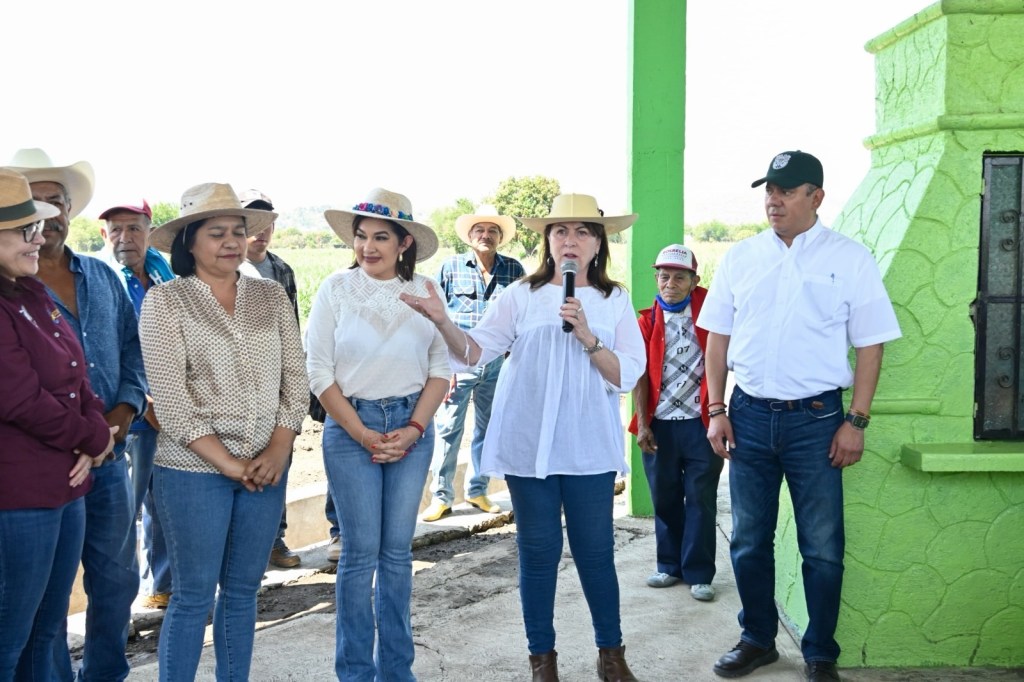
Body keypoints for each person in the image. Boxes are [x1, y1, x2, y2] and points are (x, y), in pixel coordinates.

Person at [401, 193, 646, 682]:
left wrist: (588, 337)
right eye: (560, 231)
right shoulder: (521, 296)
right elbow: (473, 354)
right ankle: (542, 659)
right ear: (547, 241)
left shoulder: (613, 299)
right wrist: (442, 320)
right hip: (527, 445)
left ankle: (611, 656)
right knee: (538, 552)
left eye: (582, 231)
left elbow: (626, 374)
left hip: (586, 447)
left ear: (599, 242)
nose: (570, 240)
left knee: (596, 552)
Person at [697, 151, 901, 682]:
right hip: (747, 416)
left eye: (787, 191)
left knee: (822, 546)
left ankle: (820, 653)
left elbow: (872, 345)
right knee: (747, 540)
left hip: (817, 422)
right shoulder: (741, 258)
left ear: (817, 197)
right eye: (769, 190)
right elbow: (717, 339)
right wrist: (716, 409)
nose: (774, 200)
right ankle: (757, 639)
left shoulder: (850, 259)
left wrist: (855, 421)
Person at [139, 182, 308, 681]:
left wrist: (279, 448)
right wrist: (233, 465)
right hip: (193, 471)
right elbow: (171, 402)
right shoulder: (166, 303)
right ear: (189, 242)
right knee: (192, 596)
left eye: (239, 231)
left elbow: (295, 380)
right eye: (217, 233)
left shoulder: (271, 295)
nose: (232, 241)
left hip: (266, 467)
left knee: (242, 592)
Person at [7, 147, 147, 682]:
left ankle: (107, 673)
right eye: (36, 202)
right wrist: (85, 436)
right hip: (47, 467)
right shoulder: (15, 292)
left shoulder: (101, 276)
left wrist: (124, 412)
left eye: (57, 202)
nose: (49, 213)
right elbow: (20, 395)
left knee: (114, 579)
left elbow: (132, 352)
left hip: (108, 457)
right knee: (43, 600)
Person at [306, 188, 449, 681]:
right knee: (358, 554)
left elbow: (439, 367)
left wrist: (412, 428)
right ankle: (354, 673)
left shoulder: (427, 291)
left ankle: (396, 671)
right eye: (361, 236)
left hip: (412, 428)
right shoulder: (334, 289)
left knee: (396, 554)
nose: (368, 246)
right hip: (350, 432)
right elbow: (319, 371)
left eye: (381, 237)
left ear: (404, 242)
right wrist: (364, 433)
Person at [628, 243, 723, 602]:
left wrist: (720, 413)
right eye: (664, 276)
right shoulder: (647, 321)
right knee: (664, 496)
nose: (670, 283)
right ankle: (669, 565)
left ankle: (699, 572)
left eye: (679, 277)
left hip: (701, 423)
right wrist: (644, 422)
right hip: (661, 424)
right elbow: (639, 375)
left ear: (694, 280)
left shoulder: (711, 315)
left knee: (700, 498)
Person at [421, 204, 525, 522]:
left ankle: (477, 490)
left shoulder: (514, 270)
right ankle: (441, 497)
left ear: (500, 237)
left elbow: (522, 316)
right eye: (480, 230)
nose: (486, 235)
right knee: (448, 428)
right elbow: (435, 318)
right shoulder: (450, 269)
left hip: (497, 364)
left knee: (488, 428)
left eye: (492, 231)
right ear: (470, 236)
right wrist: (441, 365)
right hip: (457, 363)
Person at [97, 199, 174, 610]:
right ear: (103, 234)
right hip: (131, 414)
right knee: (125, 512)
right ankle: (118, 603)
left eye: (134, 228)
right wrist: (144, 403)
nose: (125, 238)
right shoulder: (101, 277)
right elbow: (113, 350)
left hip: (170, 412)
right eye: (116, 230)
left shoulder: (162, 271)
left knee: (163, 504)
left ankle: (160, 586)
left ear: (149, 230)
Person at [238, 188, 305, 569]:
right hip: (235, 386)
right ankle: (245, 546)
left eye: (269, 223)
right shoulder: (221, 267)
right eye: (253, 223)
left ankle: (273, 540)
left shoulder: (282, 271)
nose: (261, 231)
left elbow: (292, 331)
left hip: (277, 382)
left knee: (280, 459)